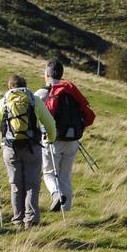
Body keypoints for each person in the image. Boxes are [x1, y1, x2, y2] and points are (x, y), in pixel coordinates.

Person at [0, 74, 56, 229]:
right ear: (25, 86)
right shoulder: (34, 100)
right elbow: (50, 123)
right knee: (32, 184)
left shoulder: (4, 101)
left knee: (16, 184)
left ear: (10, 87)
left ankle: (18, 220)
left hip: (10, 148)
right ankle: (31, 220)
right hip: (32, 147)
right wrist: (51, 138)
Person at [35, 59, 96, 211]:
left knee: (49, 174)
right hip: (73, 140)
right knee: (65, 176)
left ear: (46, 74)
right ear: (61, 74)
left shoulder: (43, 93)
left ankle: (56, 195)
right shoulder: (70, 91)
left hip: (53, 139)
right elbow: (87, 115)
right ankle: (66, 210)